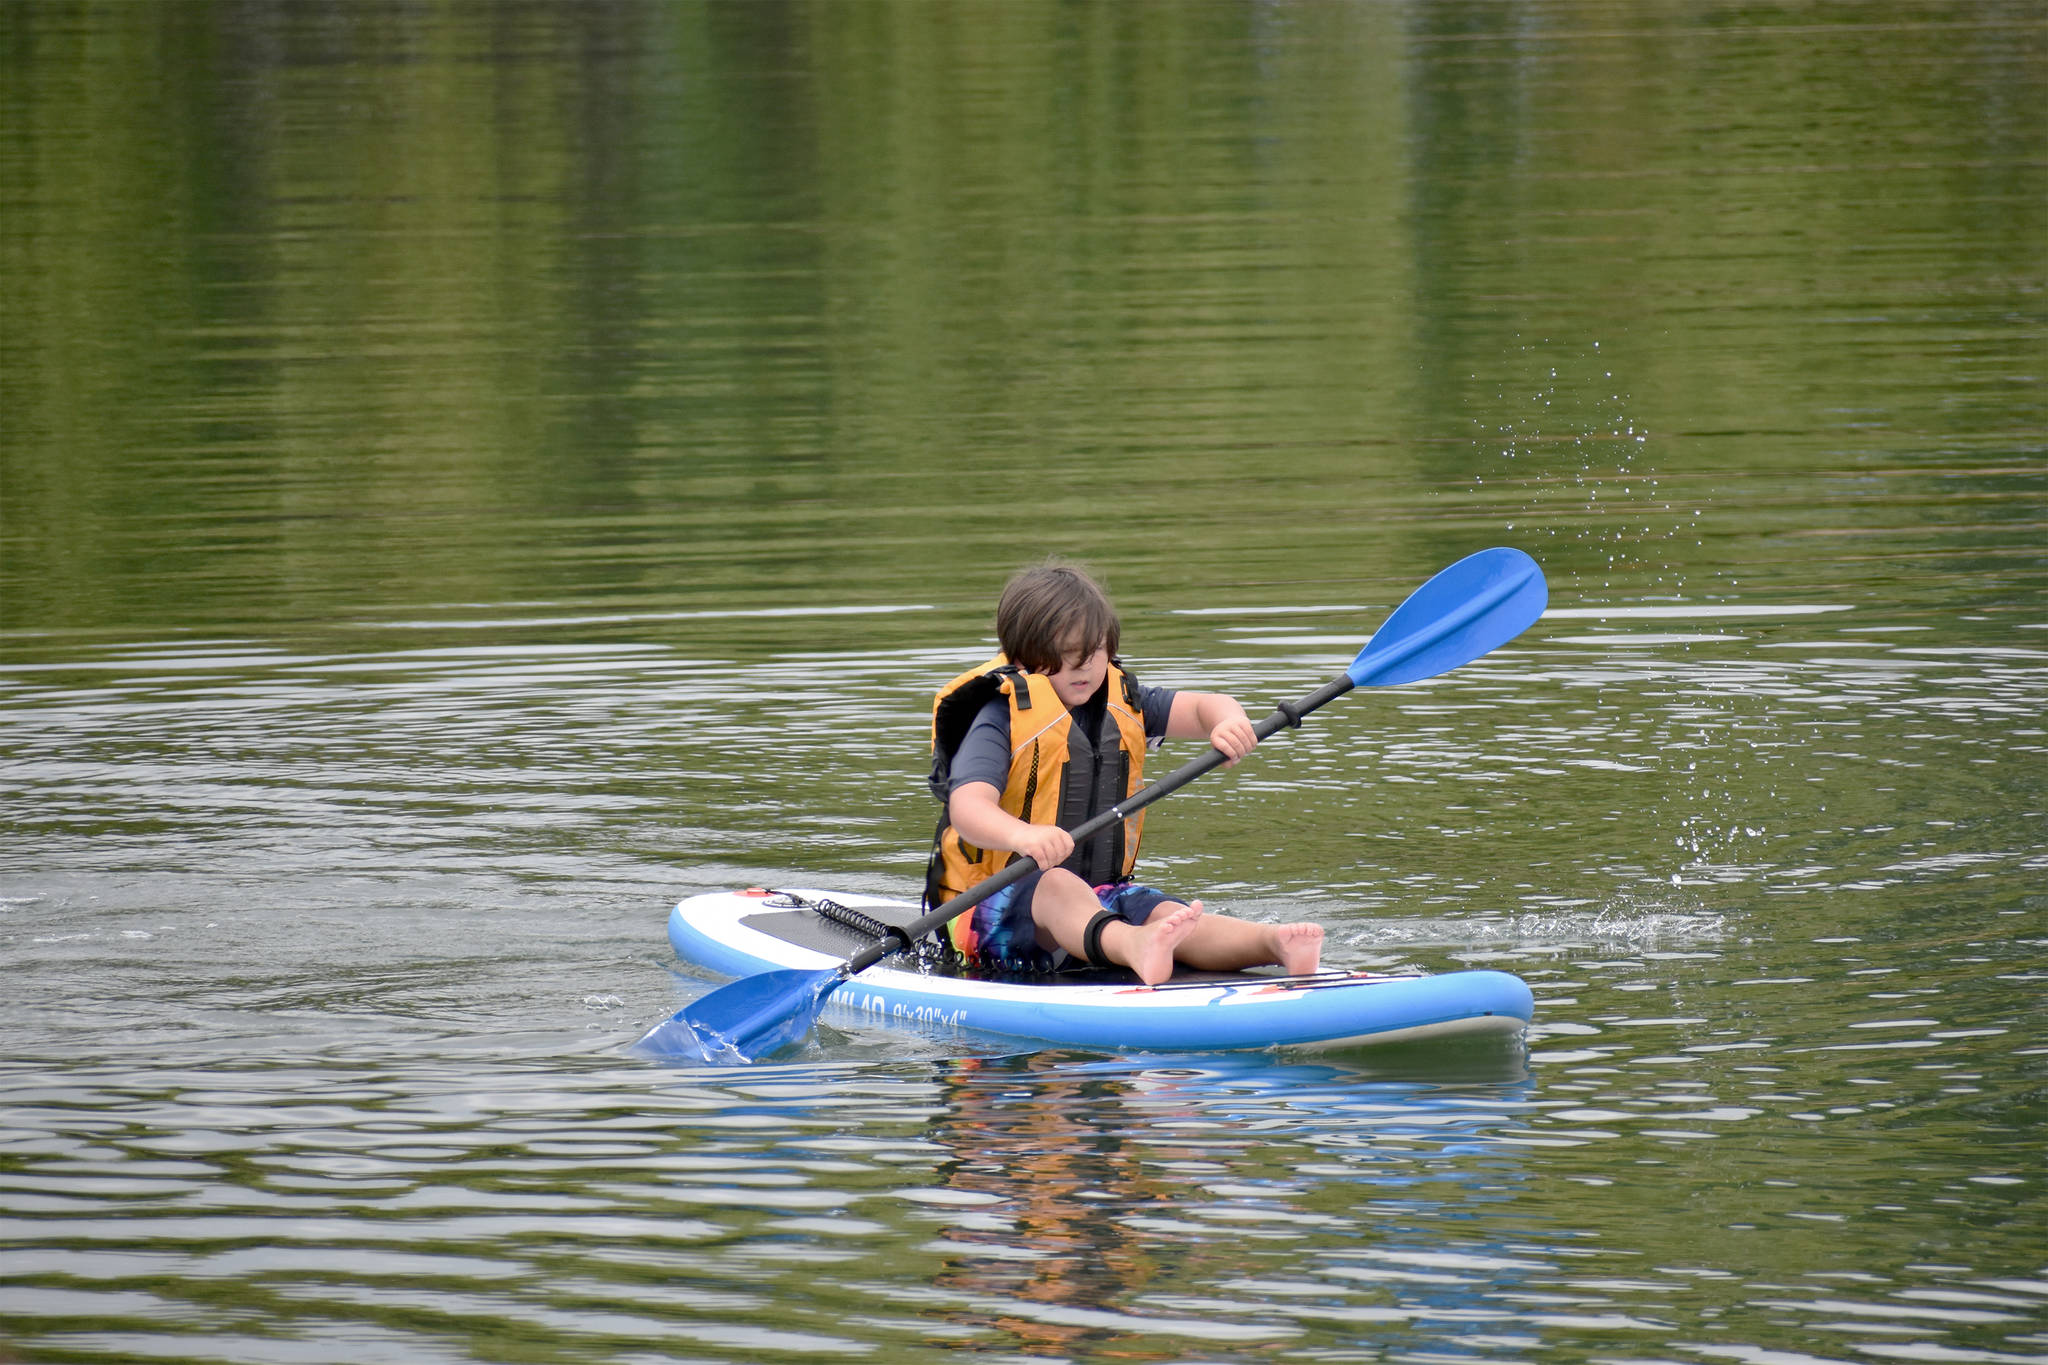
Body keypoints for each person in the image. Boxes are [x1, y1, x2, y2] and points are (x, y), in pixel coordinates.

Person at [924, 559, 1324, 985]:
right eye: (1063, 655)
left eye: (1093, 652)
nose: (1083, 667)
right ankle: (1135, 945)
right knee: (1058, 884)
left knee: (1168, 914)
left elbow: (1205, 705)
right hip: (982, 912)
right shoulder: (998, 718)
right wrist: (1023, 836)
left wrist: (1227, 722)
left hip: (1099, 896)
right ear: (1023, 656)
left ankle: (1272, 944)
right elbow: (967, 808)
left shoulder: (1124, 698)